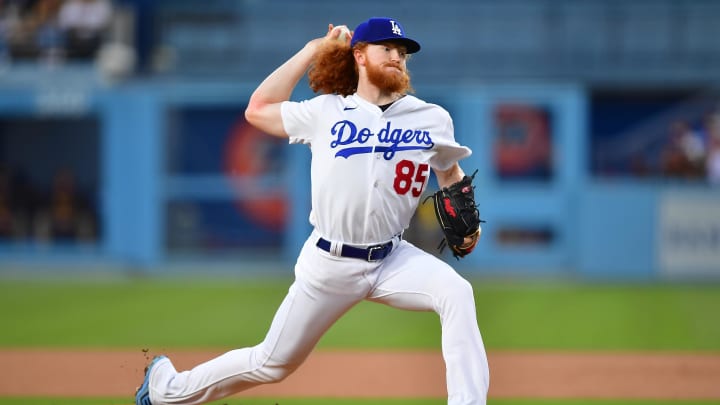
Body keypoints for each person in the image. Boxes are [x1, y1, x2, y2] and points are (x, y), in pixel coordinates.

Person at [135, 17, 489, 405]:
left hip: (392, 257)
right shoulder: (326, 112)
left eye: (402, 52)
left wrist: (463, 209)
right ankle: (165, 388)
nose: (397, 57)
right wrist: (311, 51)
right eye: (386, 48)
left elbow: (449, 171)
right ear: (359, 56)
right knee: (272, 363)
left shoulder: (431, 118)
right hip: (330, 262)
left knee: (456, 292)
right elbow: (258, 109)